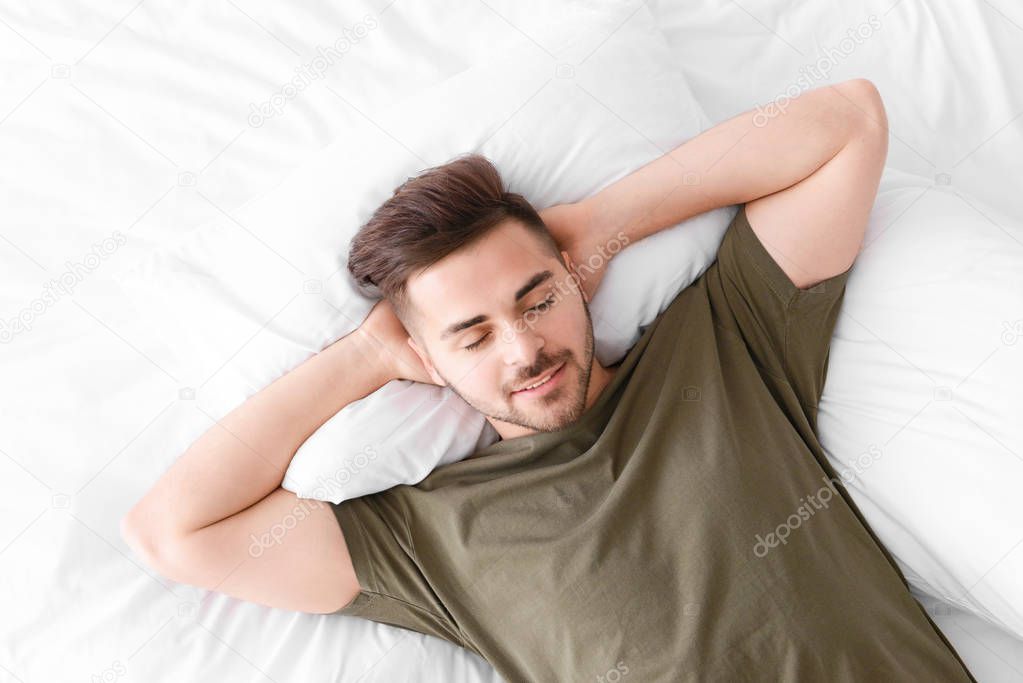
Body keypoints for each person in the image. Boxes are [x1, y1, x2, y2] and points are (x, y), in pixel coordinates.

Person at [121, 78, 976, 681]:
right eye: (471, 334)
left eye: (537, 300)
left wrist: (602, 222)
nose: (523, 349)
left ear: (575, 280)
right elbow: (173, 532)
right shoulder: (425, 538)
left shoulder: (720, 349)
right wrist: (365, 357)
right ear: (430, 365)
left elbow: (846, 122)